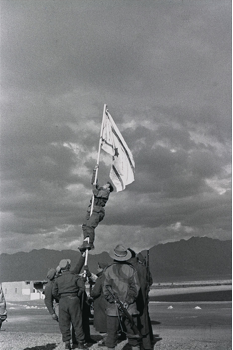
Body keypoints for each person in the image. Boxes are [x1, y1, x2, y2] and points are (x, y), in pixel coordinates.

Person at [102, 244, 141, 350]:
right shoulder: (131, 269)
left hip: (112, 308)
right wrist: (128, 301)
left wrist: (114, 301)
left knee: (111, 337)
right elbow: (135, 288)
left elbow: (106, 290)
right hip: (130, 307)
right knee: (133, 336)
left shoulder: (108, 270)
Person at [52, 258, 86, 350]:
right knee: (77, 322)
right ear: (69, 267)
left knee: (64, 323)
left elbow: (54, 292)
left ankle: (67, 343)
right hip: (74, 300)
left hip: (63, 301)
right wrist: (76, 296)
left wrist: (61, 298)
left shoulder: (58, 279)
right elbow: (82, 288)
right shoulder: (75, 277)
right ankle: (81, 344)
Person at [79, 165, 114, 251]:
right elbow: (94, 182)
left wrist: (94, 186)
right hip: (91, 209)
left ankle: (90, 243)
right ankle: (85, 242)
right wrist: (95, 171)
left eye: (107, 185)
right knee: (84, 226)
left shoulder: (106, 192)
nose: (105, 185)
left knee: (90, 226)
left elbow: (96, 193)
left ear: (109, 188)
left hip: (97, 210)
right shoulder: (101, 189)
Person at [128, 249, 154, 350]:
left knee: (133, 325)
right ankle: (147, 346)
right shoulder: (143, 267)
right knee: (144, 323)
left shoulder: (127, 268)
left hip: (132, 301)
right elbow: (150, 281)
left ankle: (136, 346)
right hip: (143, 298)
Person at [90, 261, 109, 345]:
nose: (97, 269)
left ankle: (106, 340)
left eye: (98, 267)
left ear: (102, 268)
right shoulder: (110, 277)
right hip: (108, 302)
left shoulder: (101, 278)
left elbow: (95, 292)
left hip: (100, 302)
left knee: (101, 322)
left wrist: (91, 294)